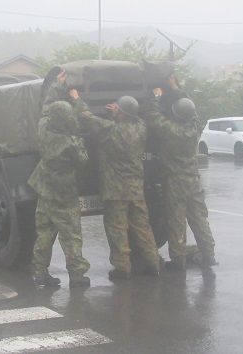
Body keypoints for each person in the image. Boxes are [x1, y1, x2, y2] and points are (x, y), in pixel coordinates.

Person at [75, 93, 160, 279]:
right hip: (136, 188)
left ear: (121, 114)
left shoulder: (110, 129)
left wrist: (77, 99)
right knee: (142, 227)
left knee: (117, 229)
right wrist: (122, 110)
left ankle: (122, 268)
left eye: (118, 110)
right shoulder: (141, 128)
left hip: (115, 191)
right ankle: (153, 261)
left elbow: (87, 117)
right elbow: (135, 116)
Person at [142, 75, 217, 270]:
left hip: (175, 181)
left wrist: (154, 95)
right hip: (193, 179)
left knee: (176, 221)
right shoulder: (194, 128)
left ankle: (178, 260)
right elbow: (192, 112)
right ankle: (209, 254)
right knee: (199, 219)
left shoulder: (170, 129)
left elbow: (152, 116)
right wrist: (175, 88)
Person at [28, 100, 91, 288]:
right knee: (71, 233)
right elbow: (83, 161)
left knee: (45, 233)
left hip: (44, 188)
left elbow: (43, 117)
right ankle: (77, 274)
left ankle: (39, 272)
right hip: (63, 193)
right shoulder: (70, 142)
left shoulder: (43, 132)